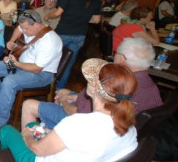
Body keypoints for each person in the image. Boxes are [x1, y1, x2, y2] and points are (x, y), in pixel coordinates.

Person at [0, 59, 138, 162]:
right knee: (35, 129)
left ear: (94, 89)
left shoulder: (77, 123)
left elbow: (37, 149)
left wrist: (27, 137)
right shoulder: (130, 129)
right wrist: (49, 134)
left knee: (7, 131)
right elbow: (84, 145)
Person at [21, 37, 162, 130]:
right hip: (112, 126)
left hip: (83, 124)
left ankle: (42, 143)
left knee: (29, 105)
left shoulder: (116, 82)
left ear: (120, 58)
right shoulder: (152, 88)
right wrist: (76, 97)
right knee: (63, 92)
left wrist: (65, 103)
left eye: (116, 53)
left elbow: (80, 114)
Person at [0, 10, 62, 133]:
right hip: (21, 64)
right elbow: (19, 28)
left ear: (36, 24)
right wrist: (12, 40)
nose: (23, 31)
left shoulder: (50, 40)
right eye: (23, 28)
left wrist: (16, 63)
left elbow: (37, 68)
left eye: (26, 29)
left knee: (9, 82)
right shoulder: (28, 26)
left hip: (41, 74)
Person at [44, 0, 102, 89]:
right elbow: (96, 20)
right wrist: (82, 18)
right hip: (79, 36)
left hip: (62, 33)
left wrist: (47, 16)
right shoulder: (95, 0)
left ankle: (45, 85)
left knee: (50, 58)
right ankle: (58, 90)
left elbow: (57, 13)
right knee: (68, 64)